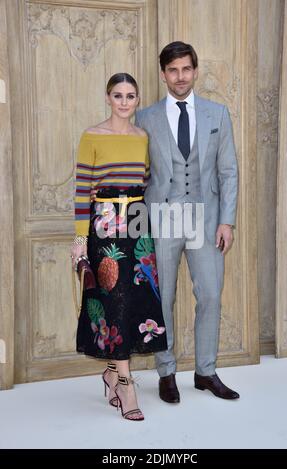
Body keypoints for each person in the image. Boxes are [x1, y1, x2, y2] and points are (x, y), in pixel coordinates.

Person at [135, 42, 240, 403]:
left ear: (195, 71)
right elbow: (138, 173)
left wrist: (227, 221)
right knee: (161, 299)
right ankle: (166, 372)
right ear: (163, 74)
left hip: (206, 218)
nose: (180, 77)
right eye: (173, 70)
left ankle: (206, 371)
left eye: (186, 69)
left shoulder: (217, 114)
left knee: (210, 294)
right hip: (162, 216)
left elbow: (228, 171)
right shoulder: (145, 117)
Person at [71, 73, 167, 421]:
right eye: (118, 95)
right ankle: (125, 383)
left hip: (137, 219)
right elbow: (83, 191)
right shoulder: (91, 135)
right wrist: (81, 240)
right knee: (113, 297)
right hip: (105, 222)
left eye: (130, 96)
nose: (124, 102)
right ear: (108, 98)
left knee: (136, 297)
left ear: (137, 99)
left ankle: (112, 373)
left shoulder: (142, 136)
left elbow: (143, 179)